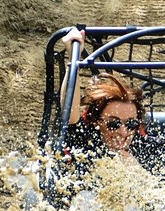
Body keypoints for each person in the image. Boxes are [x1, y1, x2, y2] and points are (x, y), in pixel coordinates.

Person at [52, 28, 158, 201]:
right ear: (96, 122)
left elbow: (158, 196)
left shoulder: (142, 145)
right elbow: (69, 112)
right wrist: (74, 58)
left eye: (130, 124)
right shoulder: (86, 142)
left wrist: (133, 169)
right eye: (113, 124)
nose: (123, 132)